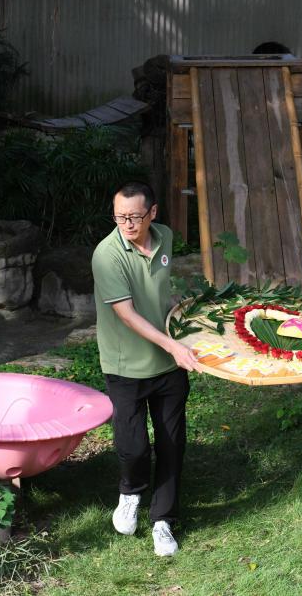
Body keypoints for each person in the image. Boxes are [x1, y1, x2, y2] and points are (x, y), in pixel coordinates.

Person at [91, 181, 202, 557]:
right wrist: (174, 345)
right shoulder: (107, 255)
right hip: (126, 366)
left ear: (153, 213)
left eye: (135, 216)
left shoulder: (165, 238)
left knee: (172, 444)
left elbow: (158, 290)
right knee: (133, 446)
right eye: (120, 216)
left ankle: (163, 520)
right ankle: (130, 492)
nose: (127, 223)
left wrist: (184, 322)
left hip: (168, 363)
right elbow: (126, 313)